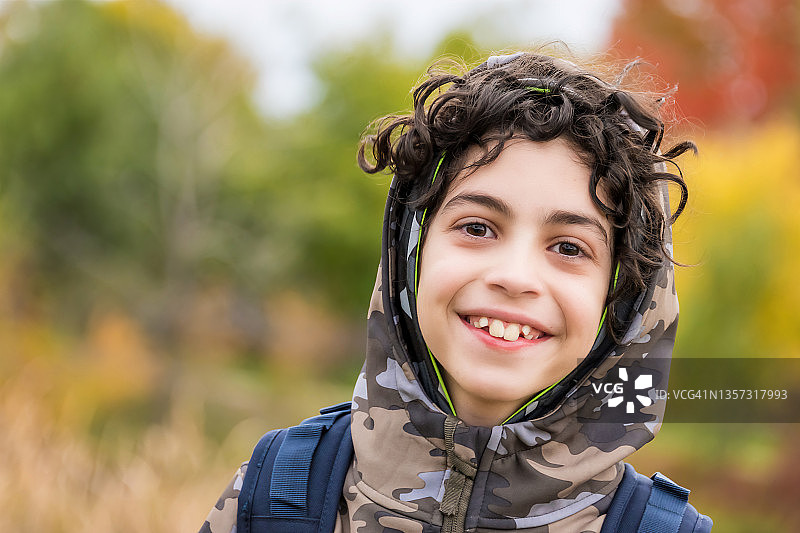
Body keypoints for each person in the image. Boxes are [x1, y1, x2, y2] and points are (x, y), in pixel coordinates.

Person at [200, 50, 709, 532]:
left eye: (569, 248)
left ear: (621, 300)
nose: (514, 276)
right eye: (478, 227)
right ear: (412, 253)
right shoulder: (272, 500)